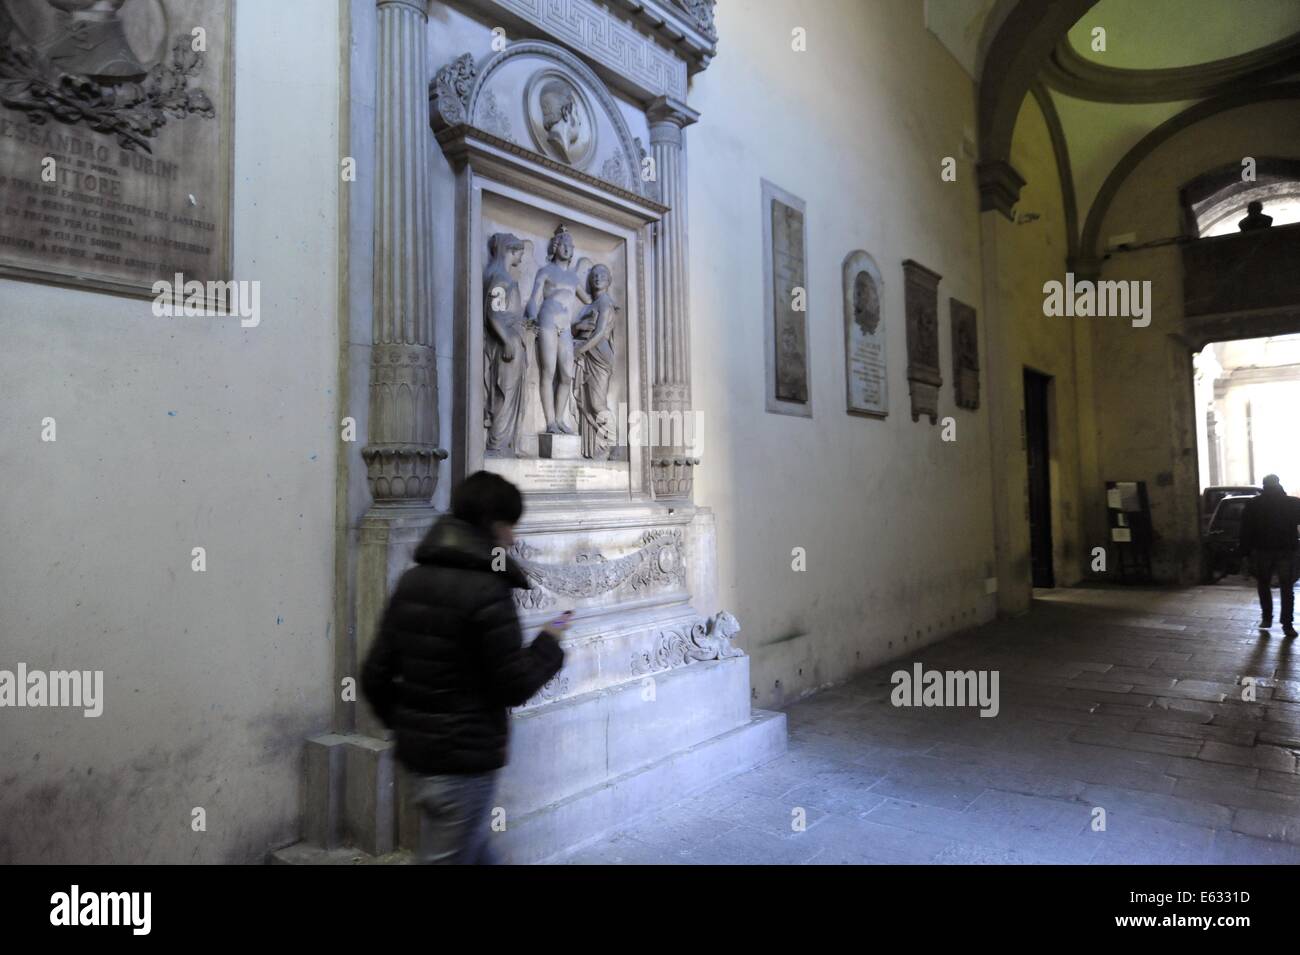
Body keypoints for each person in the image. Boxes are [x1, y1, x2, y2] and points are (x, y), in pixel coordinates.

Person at [361, 471, 567, 863]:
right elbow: (513, 685)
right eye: (509, 525)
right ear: (492, 525)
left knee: (474, 852)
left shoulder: (412, 581)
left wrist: (410, 725)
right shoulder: (489, 591)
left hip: (419, 761)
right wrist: (549, 643)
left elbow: (374, 675)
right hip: (463, 764)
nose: (513, 537)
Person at [1239, 474, 1300, 637]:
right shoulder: (1292, 504)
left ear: (1264, 485)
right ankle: (1287, 625)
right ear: (1279, 484)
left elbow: (1245, 530)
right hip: (1286, 550)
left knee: (1263, 584)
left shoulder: (1253, 505)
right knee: (1287, 588)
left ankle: (1267, 618)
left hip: (1262, 550)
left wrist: (1244, 553)